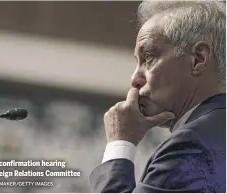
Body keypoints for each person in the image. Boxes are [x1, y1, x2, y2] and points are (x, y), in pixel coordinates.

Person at [89, 1, 226, 192]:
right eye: (138, 62)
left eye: (149, 57)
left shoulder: (190, 145)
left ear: (198, 59)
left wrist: (120, 144)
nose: (134, 79)